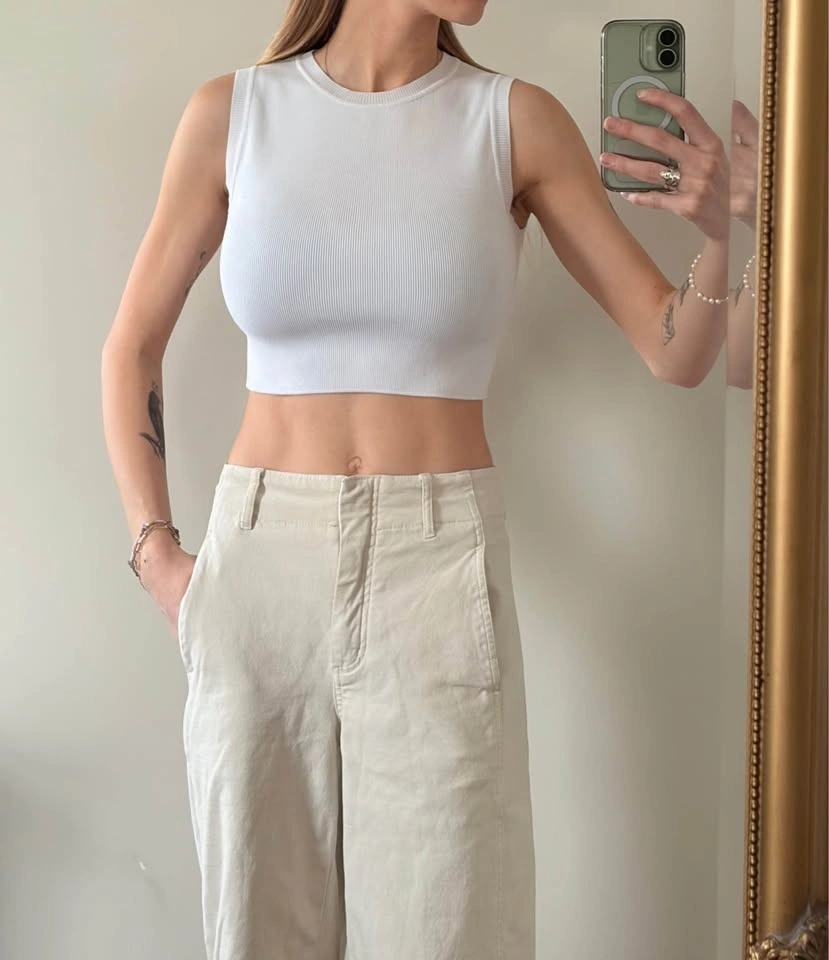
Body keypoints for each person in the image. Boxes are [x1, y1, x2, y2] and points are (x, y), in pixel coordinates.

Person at [100, 2, 732, 958]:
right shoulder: (234, 114)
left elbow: (673, 349)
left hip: (437, 573)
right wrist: (159, 559)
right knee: (257, 934)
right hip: (258, 569)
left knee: (450, 932)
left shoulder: (512, 121)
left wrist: (721, 235)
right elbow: (131, 347)